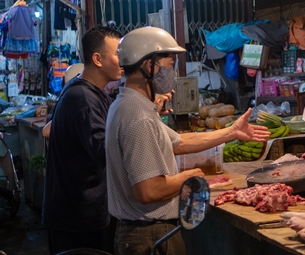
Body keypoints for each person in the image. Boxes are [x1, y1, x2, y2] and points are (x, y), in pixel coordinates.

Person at [106, 27, 270, 255]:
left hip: (147, 231)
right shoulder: (138, 116)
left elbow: (179, 142)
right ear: (148, 66)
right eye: (169, 65)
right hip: (149, 235)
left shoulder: (130, 105)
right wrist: (190, 177)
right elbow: (148, 191)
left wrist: (231, 132)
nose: (171, 74)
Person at [42, 26, 123, 254]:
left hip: (86, 211)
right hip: (76, 218)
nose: (122, 60)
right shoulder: (83, 99)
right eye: (117, 53)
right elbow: (106, 152)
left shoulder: (95, 94)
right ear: (97, 59)